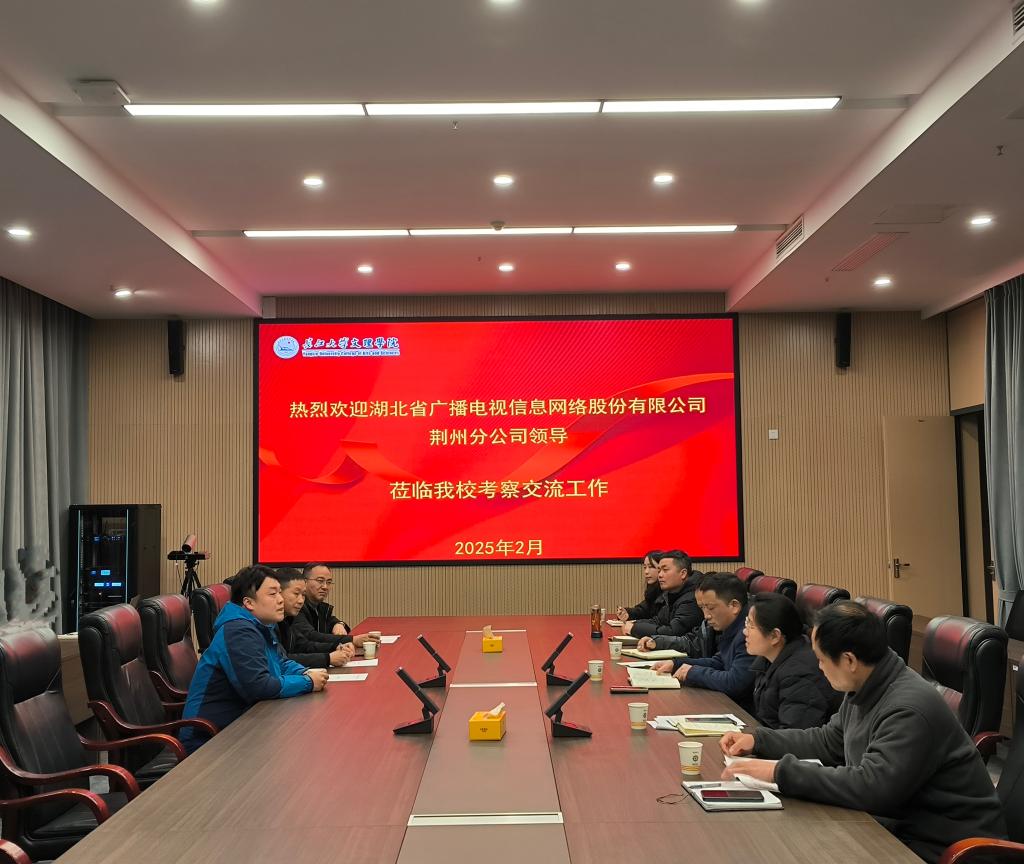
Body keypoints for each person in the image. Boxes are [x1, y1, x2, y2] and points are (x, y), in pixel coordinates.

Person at [720, 601, 1007, 863]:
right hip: (895, 829)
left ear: (849, 660)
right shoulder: (867, 683)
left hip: (944, 848)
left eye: (821, 659)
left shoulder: (908, 708)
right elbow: (829, 741)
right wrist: (759, 740)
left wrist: (778, 772)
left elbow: (872, 787)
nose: (818, 667)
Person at [180, 565, 327, 753]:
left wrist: (305, 672)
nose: (281, 599)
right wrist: (308, 682)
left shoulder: (260, 625)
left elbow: (281, 662)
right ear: (249, 603)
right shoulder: (238, 632)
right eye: (273, 594)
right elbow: (260, 687)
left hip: (244, 726)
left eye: (280, 592)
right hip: (209, 741)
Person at [651, 572, 754, 708]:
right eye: (702, 608)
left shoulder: (750, 632)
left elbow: (735, 683)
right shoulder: (731, 625)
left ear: (734, 606)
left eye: (710, 608)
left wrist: (693, 672)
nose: (706, 616)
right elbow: (719, 662)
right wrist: (676, 664)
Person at [743, 592, 837, 729]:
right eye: (746, 623)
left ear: (775, 636)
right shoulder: (769, 658)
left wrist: (756, 739)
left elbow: (795, 733)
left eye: (751, 626)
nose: (745, 632)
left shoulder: (800, 674)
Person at [276, 568, 355, 668]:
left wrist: (336, 646)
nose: (301, 600)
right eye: (296, 594)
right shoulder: (269, 623)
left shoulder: (288, 619)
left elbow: (304, 645)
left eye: (303, 595)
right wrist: (328, 658)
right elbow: (280, 660)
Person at [293, 563, 376, 651]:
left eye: (329, 582)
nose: (325, 587)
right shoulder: (297, 607)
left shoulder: (319, 607)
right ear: (305, 582)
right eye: (320, 581)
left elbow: (334, 622)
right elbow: (311, 636)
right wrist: (352, 640)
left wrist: (339, 624)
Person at [622, 550, 702, 638]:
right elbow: (658, 621)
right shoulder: (671, 593)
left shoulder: (692, 597)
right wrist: (634, 623)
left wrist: (634, 628)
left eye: (665, 570)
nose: (660, 575)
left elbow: (673, 632)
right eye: (659, 570)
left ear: (683, 573)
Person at [615, 550, 663, 622]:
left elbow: (659, 621)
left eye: (650, 567)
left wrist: (636, 625)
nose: (646, 572)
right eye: (645, 567)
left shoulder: (669, 591)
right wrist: (628, 613)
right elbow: (643, 610)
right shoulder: (653, 589)